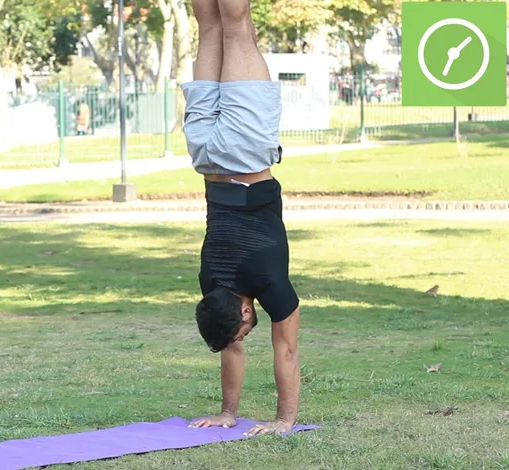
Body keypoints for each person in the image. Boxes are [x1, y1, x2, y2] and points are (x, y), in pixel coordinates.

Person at [181, 0, 301, 436]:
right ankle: (230, 409)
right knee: (210, 26)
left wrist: (285, 421)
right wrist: (228, 413)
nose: (245, 335)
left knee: (236, 24)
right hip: (206, 156)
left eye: (245, 329)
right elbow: (228, 341)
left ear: (247, 309)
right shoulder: (212, 287)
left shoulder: (269, 281)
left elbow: (286, 351)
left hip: (246, 148)